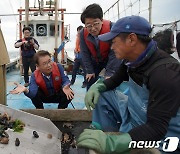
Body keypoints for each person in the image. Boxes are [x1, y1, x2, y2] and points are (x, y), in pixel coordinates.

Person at [77, 16, 180, 154]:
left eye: (114, 42)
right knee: (103, 93)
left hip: (161, 136)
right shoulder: (132, 60)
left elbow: (157, 128)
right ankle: (100, 130)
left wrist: (113, 143)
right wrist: (98, 86)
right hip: (136, 116)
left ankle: (114, 141)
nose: (111, 47)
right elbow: (114, 80)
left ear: (131, 39)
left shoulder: (164, 74)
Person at [80, 3, 122, 90]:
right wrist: (89, 71)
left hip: (110, 59)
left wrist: (110, 73)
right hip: (95, 60)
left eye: (96, 24)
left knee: (111, 81)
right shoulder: (82, 34)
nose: (93, 28)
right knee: (90, 80)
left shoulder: (112, 28)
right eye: (89, 26)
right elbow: (84, 53)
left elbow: (115, 53)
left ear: (101, 20)